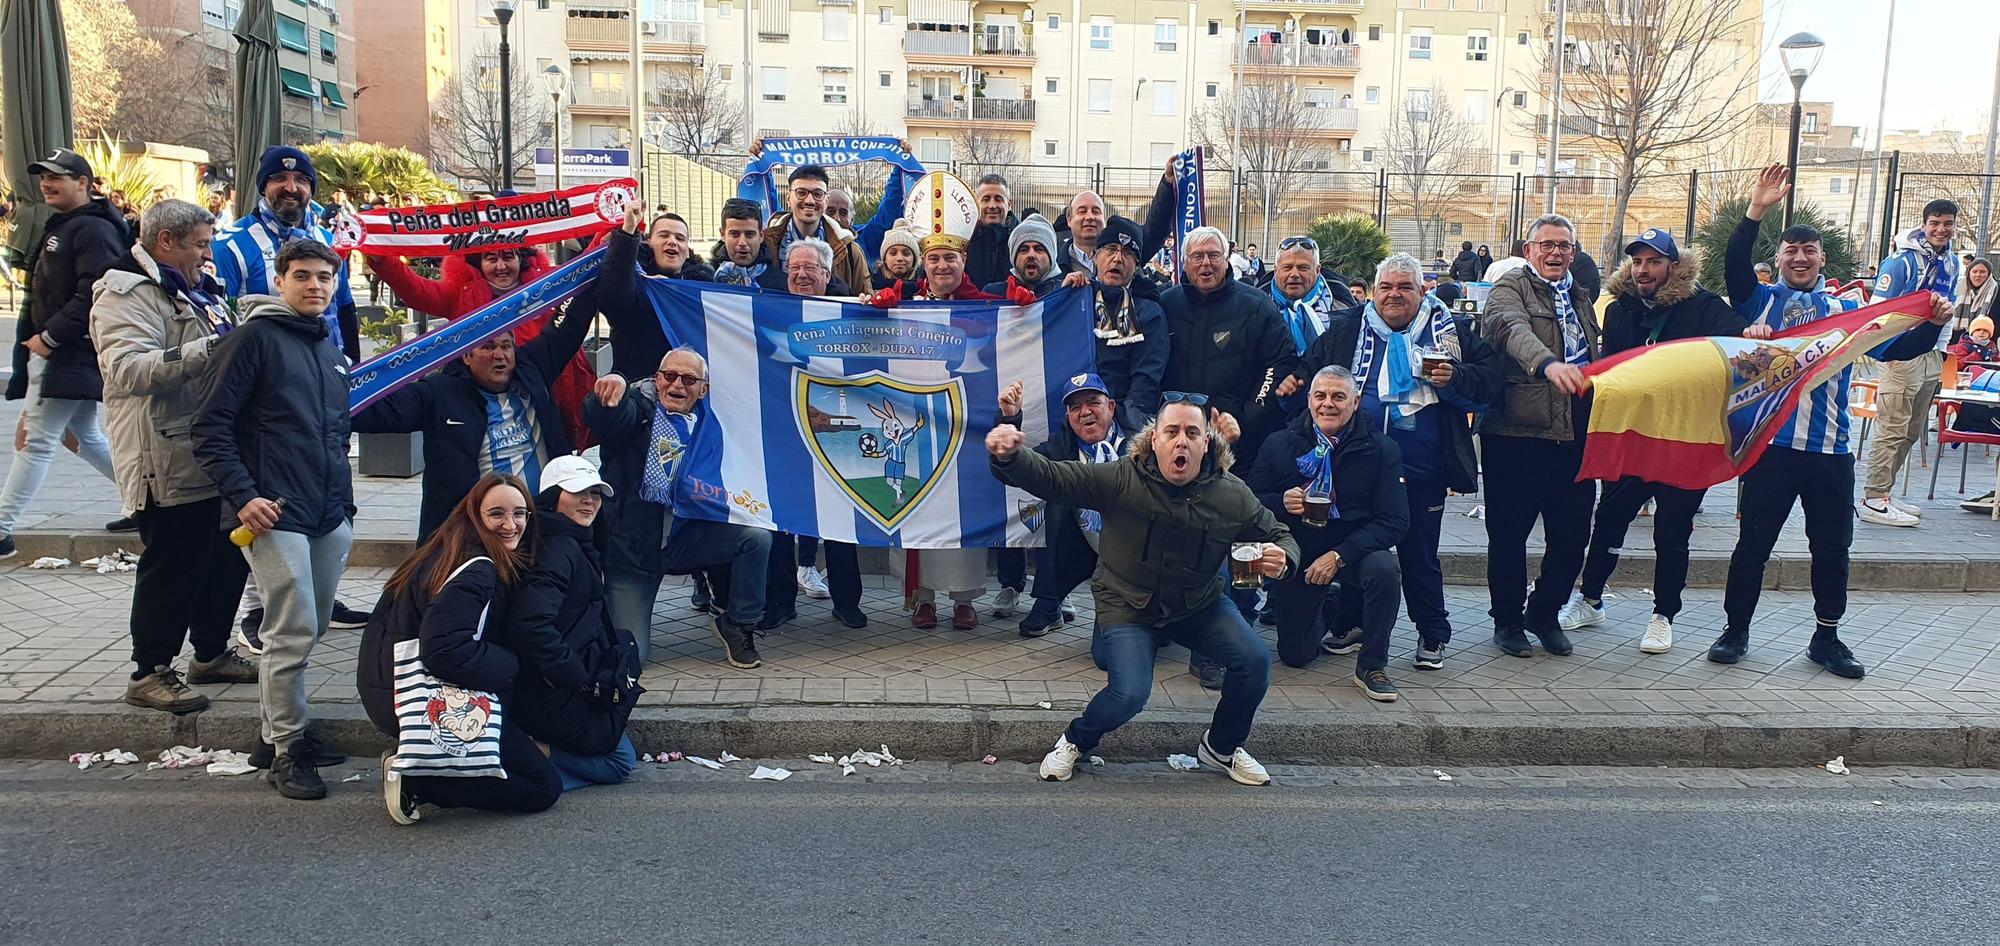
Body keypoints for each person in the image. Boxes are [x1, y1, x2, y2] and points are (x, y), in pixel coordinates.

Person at [989, 398, 1298, 786]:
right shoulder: (1122, 478)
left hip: (1198, 605)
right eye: (1171, 432)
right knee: (1130, 694)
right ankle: (1075, 740)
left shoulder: (1232, 494)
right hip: (1127, 604)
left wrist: (1283, 557)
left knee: (1254, 661)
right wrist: (1011, 456)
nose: (1180, 442)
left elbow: (1278, 535)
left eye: (1192, 433)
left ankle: (1221, 747)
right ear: (1154, 440)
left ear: (1208, 443)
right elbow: (1054, 477)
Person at [1715, 165, 1947, 679]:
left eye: (1809, 251)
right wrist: (1756, 211)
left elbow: (1897, 347)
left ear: (1822, 258)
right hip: (1770, 448)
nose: (1799, 258)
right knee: (1753, 543)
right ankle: (1735, 631)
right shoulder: (1762, 300)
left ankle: (1827, 637)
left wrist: (1933, 325)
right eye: (1790, 251)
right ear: (1778, 260)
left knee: (1832, 548)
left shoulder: (1850, 308)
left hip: (1831, 452)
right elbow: (1733, 266)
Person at [191, 239, 357, 800]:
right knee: (289, 633)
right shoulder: (252, 340)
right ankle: (287, 751)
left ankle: (275, 731)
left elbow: (335, 436)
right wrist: (243, 497)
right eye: (303, 276)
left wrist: (347, 510)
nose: (315, 286)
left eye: (324, 278)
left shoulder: (329, 348)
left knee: (309, 629)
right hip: (273, 513)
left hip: (328, 514)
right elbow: (210, 428)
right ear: (280, 282)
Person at [1290, 253, 1503, 672]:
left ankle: (1432, 634)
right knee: (1356, 545)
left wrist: (1454, 378)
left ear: (1422, 291)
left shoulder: (1449, 330)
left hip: (1422, 468)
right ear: (1373, 291)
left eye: (1404, 287)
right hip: (1356, 465)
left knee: (1419, 553)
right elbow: (1311, 373)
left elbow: (1488, 386)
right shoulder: (1349, 326)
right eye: (1385, 287)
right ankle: (1353, 624)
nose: (1393, 295)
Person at [1556, 228, 1759, 655]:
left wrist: (1753, 333)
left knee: (1672, 532)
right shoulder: (1619, 310)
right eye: (1638, 262)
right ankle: (1590, 599)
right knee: (1609, 520)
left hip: (1683, 437)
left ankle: (1664, 616)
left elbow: (1735, 339)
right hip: (1633, 435)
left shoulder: (1704, 306)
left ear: (1673, 266)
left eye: (1654, 261)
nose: (1644, 270)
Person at [93, 198, 257, 713]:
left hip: (209, 449)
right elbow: (129, 369)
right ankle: (150, 671)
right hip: (162, 453)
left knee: (226, 557)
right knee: (175, 565)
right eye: (201, 244)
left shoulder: (193, 287)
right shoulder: (125, 293)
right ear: (167, 242)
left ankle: (209, 653)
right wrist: (215, 350)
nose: (208, 255)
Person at [210, 146, 370, 637]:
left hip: (323, 379)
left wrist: (353, 369)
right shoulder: (233, 242)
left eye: (301, 181)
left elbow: (344, 311)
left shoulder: (323, 238)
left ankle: (316, 595)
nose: (291, 188)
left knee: (318, 495)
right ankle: (261, 612)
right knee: (274, 500)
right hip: (265, 385)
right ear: (262, 186)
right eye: (280, 181)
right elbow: (221, 320)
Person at [360, 473, 563, 821]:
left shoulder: (446, 548)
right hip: (417, 699)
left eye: (520, 513)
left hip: (387, 687)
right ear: (475, 515)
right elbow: (444, 651)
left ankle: (423, 767)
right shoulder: (476, 568)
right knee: (542, 787)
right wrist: (511, 666)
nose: (511, 524)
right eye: (497, 514)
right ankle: (416, 781)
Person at [352, 286, 593, 539]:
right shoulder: (440, 394)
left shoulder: (531, 368)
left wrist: (606, 252)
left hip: (541, 522)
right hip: (474, 533)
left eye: (506, 346)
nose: (499, 355)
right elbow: (374, 411)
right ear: (466, 355)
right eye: (488, 347)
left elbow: (572, 323)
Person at [587, 348, 775, 667]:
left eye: (688, 379)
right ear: (657, 378)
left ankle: (738, 624)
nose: (677, 385)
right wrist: (610, 393)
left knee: (756, 537)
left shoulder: (712, 423)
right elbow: (608, 419)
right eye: (669, 376)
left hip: (684, 541)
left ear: (704, 390)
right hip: (632, 554)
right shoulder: (639, 407)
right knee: (632, 657)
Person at [869, 176, 1000, 628]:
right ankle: (922, 597)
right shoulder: (903, 303)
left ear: (963, 259)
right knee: (915, 502)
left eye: (950, 257)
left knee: (963, 507)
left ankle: (964, 598)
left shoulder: (986, 305)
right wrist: (879, 306)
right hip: (913, 417)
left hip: (965, 421)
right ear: (922, 263)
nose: (942, 266)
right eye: (933, 258)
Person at [1247, 366, 1409, 700]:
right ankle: (1332, 605)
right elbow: (1249, 502)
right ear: (1309, 400)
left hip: (1354, 547)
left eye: (1338, 396)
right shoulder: (1280, 442)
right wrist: (1280, 501)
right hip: (1300, 547)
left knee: (1385, 570)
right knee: (1295, 655)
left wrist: (1339, 556)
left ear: (1356, 402)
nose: (1328, 404)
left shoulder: (1381, 449)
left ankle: (1372, 665)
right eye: (1320, 395)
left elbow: (1394, 521)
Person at [1480, 213, 1599, 659]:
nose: (1555, 253)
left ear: (1574, 252)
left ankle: (1544, 613)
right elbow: (1512, 330)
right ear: (1528, 250)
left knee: (1571, 537)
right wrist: (1549, 364)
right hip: (1516, 433)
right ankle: (1508, 621)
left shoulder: (1582, 295)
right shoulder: (1510, 288)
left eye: (1564, 246)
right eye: (1546, 245)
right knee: (1509, 535)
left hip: (1573, 435)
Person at [0, 148, 128, 560]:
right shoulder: (72, 225)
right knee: (85, 437)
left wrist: (50, 338)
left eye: (58, 176)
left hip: (66, 352)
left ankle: (1, 529)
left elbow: (96, 289)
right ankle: (148, 502)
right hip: (64, 351)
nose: (47, 183)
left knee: (36, 441)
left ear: (84, 184)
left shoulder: (90, 230)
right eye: (43, 176)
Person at [366, 245, 597, 449]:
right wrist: (382, 260)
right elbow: (417, 290)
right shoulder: (461, 293)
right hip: (478, 408)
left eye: (508, 256)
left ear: (522, 259)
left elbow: (581, 280)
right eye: (491, 258)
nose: (501, 266)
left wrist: (608, 238)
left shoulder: (546, 286)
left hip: (539, 398)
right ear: (478, 262)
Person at [508, 456, 642, 793]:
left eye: (596, 493)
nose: (590, 500)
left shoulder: (570, 540)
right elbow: (532, 626)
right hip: (549, 688)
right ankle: (515, 759)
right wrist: (576, 679)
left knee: (616, 744)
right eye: (579, 492)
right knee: (620, 760)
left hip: (553, 683)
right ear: (553, 497)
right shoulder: (558, 549)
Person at [1861, 198, 1963, 526]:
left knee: (1913, 428)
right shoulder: (1902, 261)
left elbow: (1948, 307)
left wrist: (1942, 348)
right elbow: (1878, 310)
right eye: (1934, 223)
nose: (1940, 229)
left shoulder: (1951, 262)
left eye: (1947, 223)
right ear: (1924, 224)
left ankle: (1884, 493)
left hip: (1933, 350)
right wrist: (1890, 349)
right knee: (1893, 425)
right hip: (1901, 352)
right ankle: (1872, 497)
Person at [997, 373, 1124, 638]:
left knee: (1108, 653)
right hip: (1082, 543)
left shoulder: (1141, 441)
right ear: (1068, 417)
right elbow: (1012, 473)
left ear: (1111, 407)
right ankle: (1049, 601)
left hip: (1134, 551)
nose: (1085, 411)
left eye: (1092, 402)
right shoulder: (1060, 446)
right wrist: (1009, 423)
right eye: (1075, 407)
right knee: (1056, 500)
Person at [1054, 215, 1168, 431]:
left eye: (1127, 253)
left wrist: (1112, 425)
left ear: (1136, 266)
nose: (1117, 258)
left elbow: (1145, 383)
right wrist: (1060, 299)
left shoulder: (1150, 315)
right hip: (1067, 419)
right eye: (1111, 249)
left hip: (1120, 427)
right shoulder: (1075, 300)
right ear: (1095, 257)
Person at [591, 202, 715, 383]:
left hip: (686, 395)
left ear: (687, 251)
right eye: (664, 235)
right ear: (650, 243)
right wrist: (628, 232)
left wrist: (675, 292)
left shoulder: (702, 290)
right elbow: (612, 297)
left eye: (680, 238)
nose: (672, 241)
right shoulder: (633, 282)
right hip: (635, 392)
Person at [759, 165, 872, 295]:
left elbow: (867, 303)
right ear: (789, 198)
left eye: (818, 194)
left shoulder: (850, 250)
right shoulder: (766, 243)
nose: (809, 201)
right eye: (801, 193)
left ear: (826, 201)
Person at [981, 212, 1062, 299]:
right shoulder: (993, 294)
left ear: (1051, 257)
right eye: (1024, 250)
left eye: (1038, 249)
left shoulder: (1064, 293)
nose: (1031, 255)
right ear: (1014, 258)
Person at [710, 197, 780, 288]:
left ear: (761, 235)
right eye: (734, 234)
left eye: (749, 235)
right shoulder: (704, 279)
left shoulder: (781, 284)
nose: (742, 242)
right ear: (723, 234)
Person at [966, 173, 1015, 288]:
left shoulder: (1021, 243)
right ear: (976, 204)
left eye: (998, 199)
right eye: (986, 199)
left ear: (1009, 204)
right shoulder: (963, 241)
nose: (992, 205)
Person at [1057, 191, 1109, 276]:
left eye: (1096, 211)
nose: (1090, 217)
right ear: (1069, 220)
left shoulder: (1120, 262)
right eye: (1082, 211)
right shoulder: (1055, 267)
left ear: (1105, 219)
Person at [1953, 258, 1995, 344]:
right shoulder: (1958, 287)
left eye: (1983, 272)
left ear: (1989, 274)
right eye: (1974, 271)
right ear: (1969, 273)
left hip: (1986, 343)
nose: (1978, 275)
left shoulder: (1995, 290)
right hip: (1956, 340)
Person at [874, 226, 922, 291]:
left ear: (914, 259)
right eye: (893, 253)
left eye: (906, 253)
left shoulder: (926, 287)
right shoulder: (870, 287)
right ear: (885, 259)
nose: (899, 258)